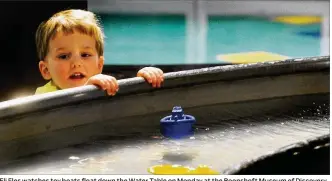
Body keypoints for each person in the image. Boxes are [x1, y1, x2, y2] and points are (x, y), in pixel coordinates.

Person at [35, 9, 164, 95]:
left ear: (99, 65)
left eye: (85, 55)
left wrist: (142, 83)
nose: (76, 63)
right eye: (63, 56)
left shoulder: (105, 86)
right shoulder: (41, 98)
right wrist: (88, 91)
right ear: (46, 70)